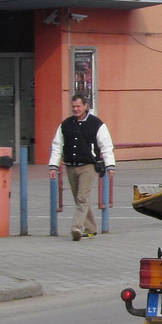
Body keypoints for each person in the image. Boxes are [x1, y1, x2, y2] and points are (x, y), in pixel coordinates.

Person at [49, 94, 115, 241]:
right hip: (71, 166)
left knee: (82, 197)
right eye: (73, 107)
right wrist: (53, 166)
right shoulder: (66, 125)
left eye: (78, 106)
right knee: (80, 199)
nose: (76, 109)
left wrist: (110, 166)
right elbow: (57, 146)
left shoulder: (97, 124)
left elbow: (106, 145)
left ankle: (76, 228)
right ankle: (91, 228)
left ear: (86, 106)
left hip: (88, 166)